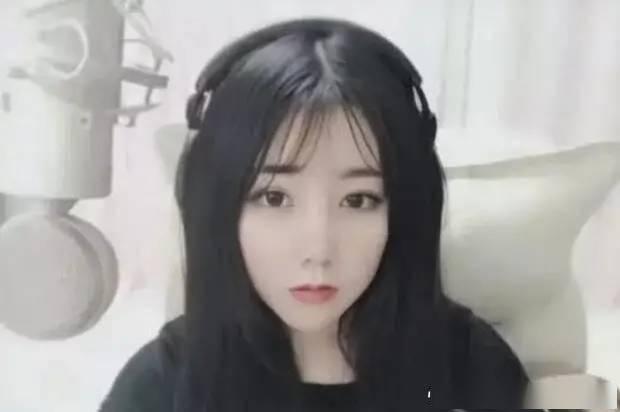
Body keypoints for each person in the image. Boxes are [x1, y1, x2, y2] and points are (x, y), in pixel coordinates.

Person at [99, 18, 530, 411]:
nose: (318, 249)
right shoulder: (161, 385)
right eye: (274, 198)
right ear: (219, 208)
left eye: (358, 200)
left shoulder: (470, 366)